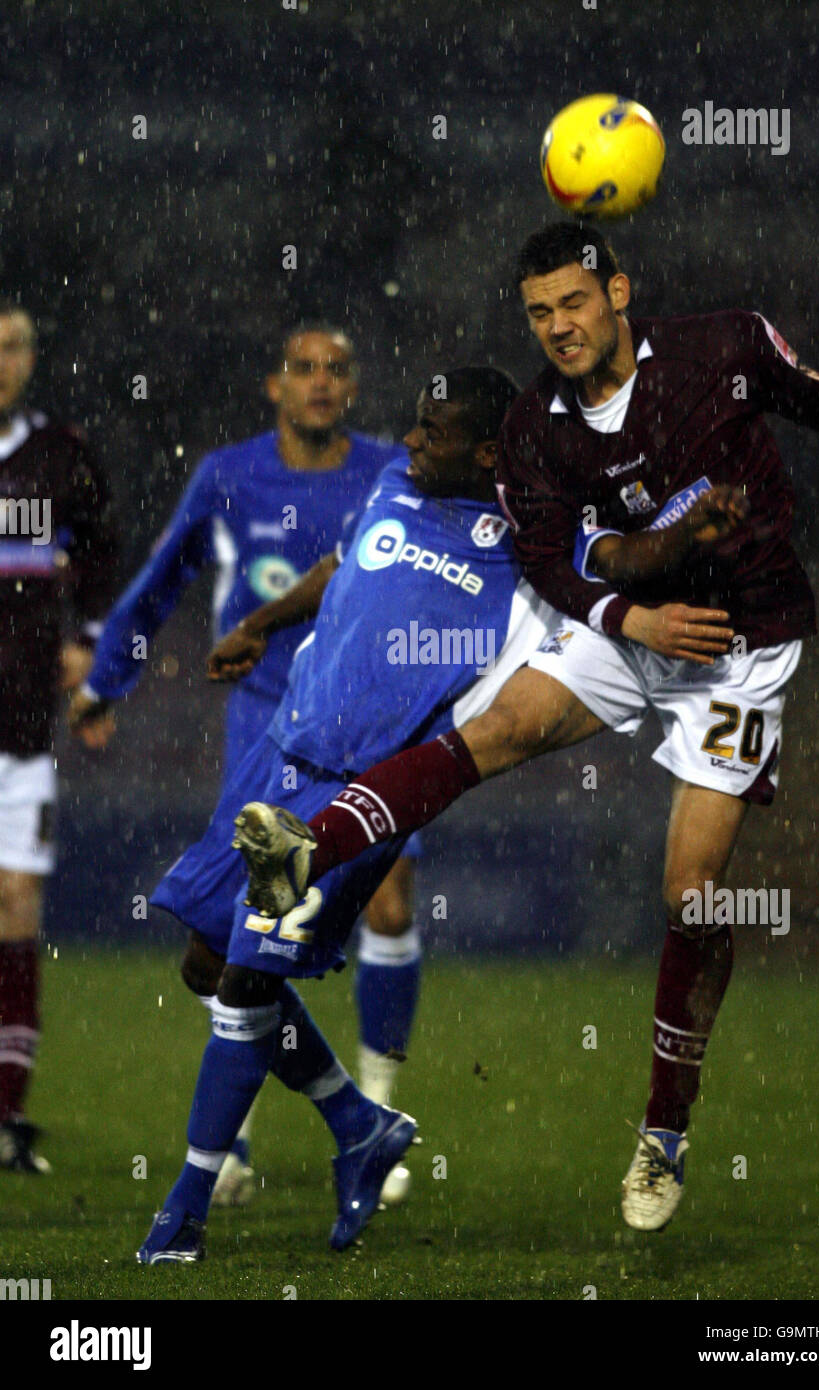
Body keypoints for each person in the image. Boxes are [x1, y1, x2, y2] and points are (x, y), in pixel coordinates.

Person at [231, 221, 819, 1235]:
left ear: (619, 291)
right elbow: (553, 561)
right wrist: (640, 603)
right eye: (538, 313)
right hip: (631, 627)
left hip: (742, 645)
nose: (558, 327)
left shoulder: (726, 352)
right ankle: (315, 847)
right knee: (500, 725)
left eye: (574, 302)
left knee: (693, 896)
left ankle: (663, 1130)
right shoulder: (537, 425)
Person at [136, 365, 730, 1263]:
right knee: (206, 960)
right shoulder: (392, 484)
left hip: (356, 790)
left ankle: (182, 1212)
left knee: (249, 979)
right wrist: (263, 621)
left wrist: (682, 546)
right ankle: (357, 1123)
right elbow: (343, 561)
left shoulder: (529, 540)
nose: (410, 441)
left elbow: (618, 570)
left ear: (487, 452)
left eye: (432, 432)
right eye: (414, 425)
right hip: (279, 752)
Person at [68, 325, 422, 1205]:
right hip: (269, 720)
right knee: (238, 931)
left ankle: (379, 1110)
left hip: (367, 715)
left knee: (388, 897)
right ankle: (244, 1137)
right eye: (304, 369)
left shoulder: (389, 472)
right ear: (274, 385)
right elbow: (160, 581)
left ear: (351, 386)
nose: (320, 384)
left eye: (337, 369)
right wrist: (109, 678)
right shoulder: (228, 474)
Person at [0, 300, 117, 1173]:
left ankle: (6, 1117)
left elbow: (103, 555)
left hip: (20, 727)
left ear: (31, 359)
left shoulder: (59, 459)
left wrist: (88, 639)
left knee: (15, 905)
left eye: (11, 347)